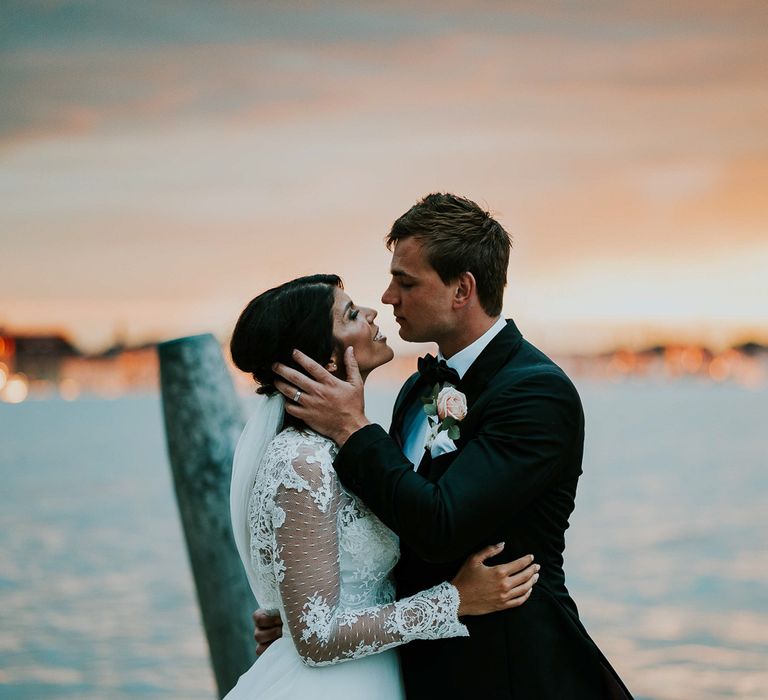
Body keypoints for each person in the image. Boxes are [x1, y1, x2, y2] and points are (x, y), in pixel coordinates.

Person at [259, 195, 634, 698]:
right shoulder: (418, 389)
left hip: (510, 671)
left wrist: (352, 428)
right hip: (413, 668)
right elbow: (389, 519)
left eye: (407, 282)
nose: (388, 297)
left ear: (462, 288)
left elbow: (440, 525)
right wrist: (306, 610)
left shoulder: (535, 392)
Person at [225, 273, 541, 700]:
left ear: (462, 290)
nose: (380, 305)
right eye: (351, 314)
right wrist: (453, 600)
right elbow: (317, 635)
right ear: (326, 359)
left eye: (406, 283)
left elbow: (419, 498)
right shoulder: (301, 460)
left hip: (387, 674)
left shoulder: (389, 417)